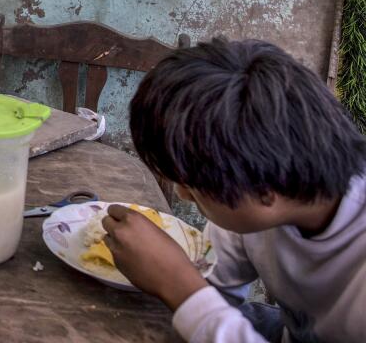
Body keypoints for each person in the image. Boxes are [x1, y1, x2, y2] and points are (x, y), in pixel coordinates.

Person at [102, 39, 366, 343]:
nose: (182, 194)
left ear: (266, 192)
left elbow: (195, 300)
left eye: (193, 186)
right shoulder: (258, 180)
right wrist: (177, 280)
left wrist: (178, 285)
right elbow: (215, 290)